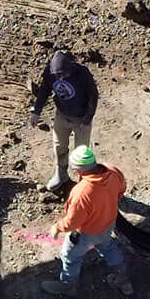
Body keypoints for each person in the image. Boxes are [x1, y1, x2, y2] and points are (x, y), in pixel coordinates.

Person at [42, 144, 130, 295]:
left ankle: (69, 286)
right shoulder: (113, 172)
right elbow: (121, 190)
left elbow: (72, 223)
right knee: (107, 246)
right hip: (108, 224)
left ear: (79, 170)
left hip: (87, 233)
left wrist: (57, 227)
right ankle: (122, 277)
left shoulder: (82, 193)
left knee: (70, 256)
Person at [28, 49, 99, 192]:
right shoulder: (50, 72)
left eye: (63, 75)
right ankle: (61, 174)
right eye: (57, 76)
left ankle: (84, 182)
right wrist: (36, 112)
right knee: (59, 146)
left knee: (82, 152)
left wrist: (87, 119)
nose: (60, 79)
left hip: (81, 118)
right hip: (62, 115)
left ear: (70, 68)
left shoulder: (82, 74)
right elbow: (44, 91)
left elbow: (93, 96)